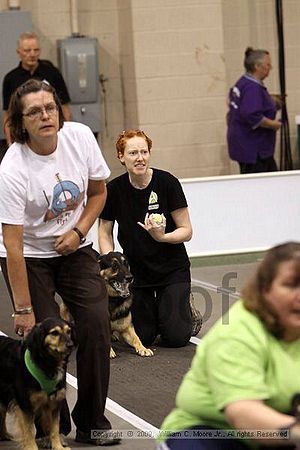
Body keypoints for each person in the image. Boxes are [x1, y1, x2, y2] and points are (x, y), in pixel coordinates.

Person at [0, 79, 120, 446]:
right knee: (40, 336)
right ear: (21, 122)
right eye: (34, 112)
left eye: (50, 107)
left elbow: (99, 192)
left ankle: (91, 422)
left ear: (59, 110)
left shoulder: (80, 137)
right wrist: (22, 309)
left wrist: (80, 228)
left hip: (75, 246)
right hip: (30, 256)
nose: (45, 116)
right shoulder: (13, 169)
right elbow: (13, 244)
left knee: (96, 326)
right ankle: (48, 422)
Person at [156, 241, 300, 450]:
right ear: (264, 289)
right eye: (291, 284)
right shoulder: (238, 332)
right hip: (207, 433)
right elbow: (243, 414)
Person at [98, 129, 198, 349]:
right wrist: (110, 259)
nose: (140, 157)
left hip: (172, 269)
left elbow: (186, 230)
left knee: (176, 337)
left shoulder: (167, 183)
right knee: (144, 336)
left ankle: (184, 310)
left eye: (144, 151)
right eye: (133, 153)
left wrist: (162, 237)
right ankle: (157, 313)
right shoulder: (113, 190)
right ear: (121, 156)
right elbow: (104, 231)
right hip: (136, 273)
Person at [1, 31, 71, 159]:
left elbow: (64, 107)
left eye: (36, 50)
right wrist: (10, 141)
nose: (32, 54)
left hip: (53, 135)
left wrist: (64, 133)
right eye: (27, 51)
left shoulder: (52, 73)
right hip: (26, 137)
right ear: (19, 52)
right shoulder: (11, 78)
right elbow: (8, 114)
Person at [227, 47, 282, 174]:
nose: (270, 68)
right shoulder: (253, 88)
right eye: (268, 65)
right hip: (254, 149)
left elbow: (232, 100)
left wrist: (268, 100)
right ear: (257, 66)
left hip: (244, 145)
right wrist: (274, 124)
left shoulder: (243, 81)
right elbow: (252, 114)